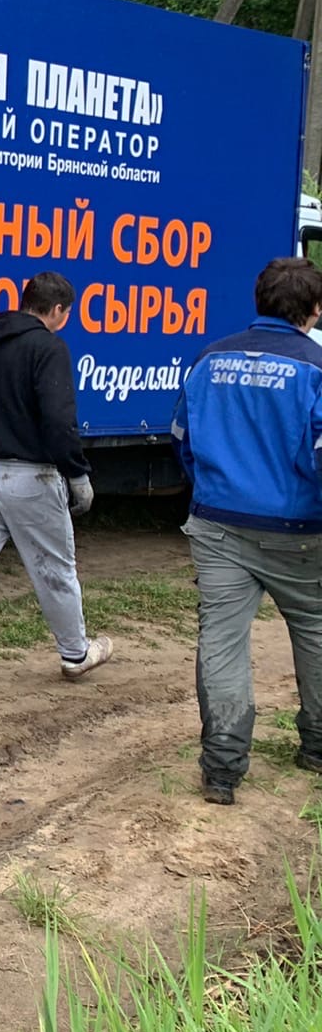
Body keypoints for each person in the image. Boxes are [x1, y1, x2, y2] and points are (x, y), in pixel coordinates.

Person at [171, 256, 322, 805]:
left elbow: (182, 438)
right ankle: (317, 748)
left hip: (217, 525)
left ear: (259, 301)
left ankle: (223, 769)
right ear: (314, 309)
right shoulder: (316, 368)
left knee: (222, 641)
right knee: (314, 630)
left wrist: (213, 487)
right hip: (300, 529)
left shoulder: (209, 359)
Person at [0, 270, 114, 699]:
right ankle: (75, 655)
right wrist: (77, 473)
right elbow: (58, 420)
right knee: (55, 570)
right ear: (55, 310)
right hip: (31, 477)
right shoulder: (49, 347)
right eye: (66, 313)